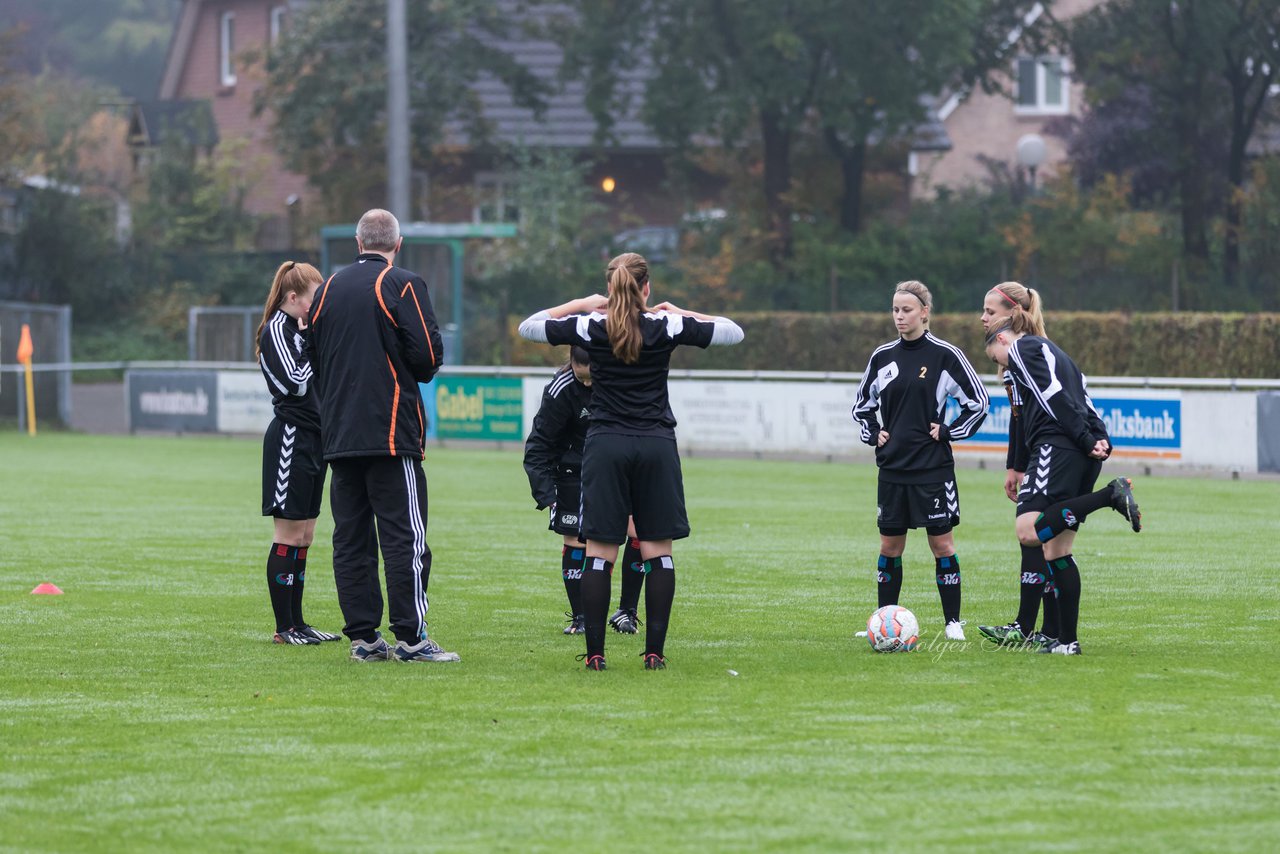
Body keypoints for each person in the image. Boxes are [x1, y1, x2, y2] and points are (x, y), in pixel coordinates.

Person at [518, 252, 743, 670]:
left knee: (600, 552)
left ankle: (596, 654)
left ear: (609, 289)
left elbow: (528, 326)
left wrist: (583, 305)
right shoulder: (665, 324)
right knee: (658, 550)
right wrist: (681, 310)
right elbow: (733, 332)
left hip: (605, 446)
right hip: (656, 444)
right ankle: (654, 653)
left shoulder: (592, 324)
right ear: (647, 288)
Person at [306, 208, 458, 663]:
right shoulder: (402, 282)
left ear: (357, 243)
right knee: (404, 536)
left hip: (338, 433)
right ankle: (412, 638)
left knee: (350, 537)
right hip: (390, 433)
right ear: (398, 243)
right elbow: (429, 355)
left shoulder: (327, 288)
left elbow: (312, 356)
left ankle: (364, 639)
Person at [984, 317, 1142, 655]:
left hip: (1058, 446)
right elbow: (1085, 400)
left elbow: (1051, 396)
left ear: (1002, 339)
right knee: (1057, 550)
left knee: (1028, 531)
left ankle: (1108, 496)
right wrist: (1098, 438)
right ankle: (1067, 642)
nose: (1000, 365)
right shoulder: (1062, 355)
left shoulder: (1022, 348)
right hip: (1082, 451)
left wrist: (1086, 439)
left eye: (995, 357)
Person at [851, 280, 990, 641]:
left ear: (924, 312)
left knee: (942, 545)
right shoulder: (882, 357)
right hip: (893, 468)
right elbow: (862, 406)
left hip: (932, 469)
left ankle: (953, 622)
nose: (900, 316)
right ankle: (883, 620)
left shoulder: (946, 356)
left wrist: (949, 431)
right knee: (889, 547)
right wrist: (873, 432)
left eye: (907, 309)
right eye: (895, 309)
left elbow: (979, 403)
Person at [523, 346, 645, 635]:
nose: (588, 385)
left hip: (616, 470)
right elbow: (539, 443)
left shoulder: (619, 380)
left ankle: (626, 612)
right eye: (582, 379)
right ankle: (581, 617)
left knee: (640, 533)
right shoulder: (560, 389)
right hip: (572, 473)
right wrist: (546, 495)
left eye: (593, 378)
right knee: (577, 540)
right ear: (572, 364)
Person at [256, 260, 340, 646]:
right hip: (291, 436)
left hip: (316, 438)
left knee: (305, 535)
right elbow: (295, 383)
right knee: (288, 532)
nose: (317, 307)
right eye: (313, 299)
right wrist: (310, 343)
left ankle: (299, 624)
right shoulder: (277, 328)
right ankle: (283, 627)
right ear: (293, 298)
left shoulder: (302, 329)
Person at [975, 282, 1059, 650]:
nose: (982, 317)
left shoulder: (1026, 352)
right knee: (1040, 537)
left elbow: (1036, 413)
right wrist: (1014, 466)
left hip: (1055, 451)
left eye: (990, 312)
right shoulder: (1020, 353)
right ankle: (1037, 628)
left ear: (1011, 314)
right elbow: (1017, 416)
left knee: (1036, 533)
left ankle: (1032, 628)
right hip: (1043, 452)